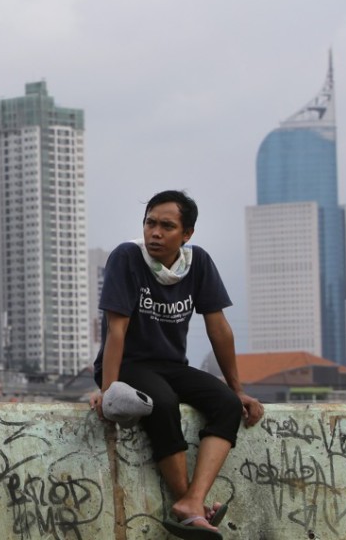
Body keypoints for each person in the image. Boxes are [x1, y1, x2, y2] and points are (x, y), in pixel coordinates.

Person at [88, 190, 263, 540]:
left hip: (171, 365)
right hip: (127, 364)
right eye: (150, 223)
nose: (155, 232)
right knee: (162, 403)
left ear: (186, 234)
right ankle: (191, 507)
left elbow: (219, 328)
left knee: (227, 406)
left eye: (166, 226)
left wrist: (238, 388)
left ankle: (191, 502)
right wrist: (108, 392)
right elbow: (116, 331)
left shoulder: (197, 263)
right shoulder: (127, 257)